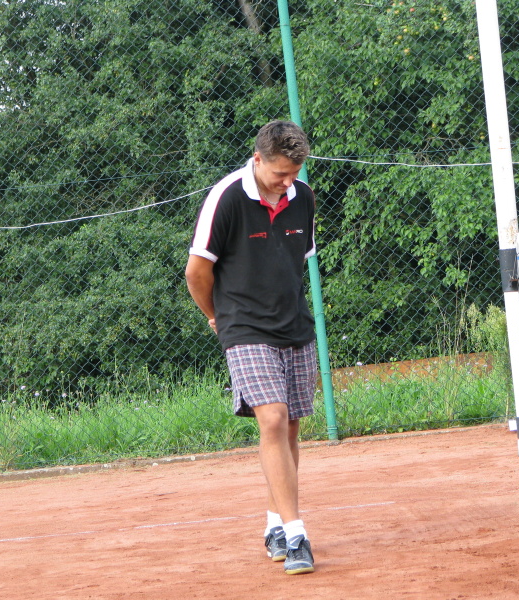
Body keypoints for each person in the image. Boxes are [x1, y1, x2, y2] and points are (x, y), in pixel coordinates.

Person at [185, 120, 318, 574]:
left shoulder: (303, 197)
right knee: (273, 418)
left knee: (290, 429)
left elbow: (294, 262)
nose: (288, 182)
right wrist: (216, 317)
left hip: (295, 325)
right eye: (280, 173)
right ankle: (297, 535)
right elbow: (196, 272)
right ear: (257, 159)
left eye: (294, 173)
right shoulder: (225, 198)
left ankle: (275, 524)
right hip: (243, 327)